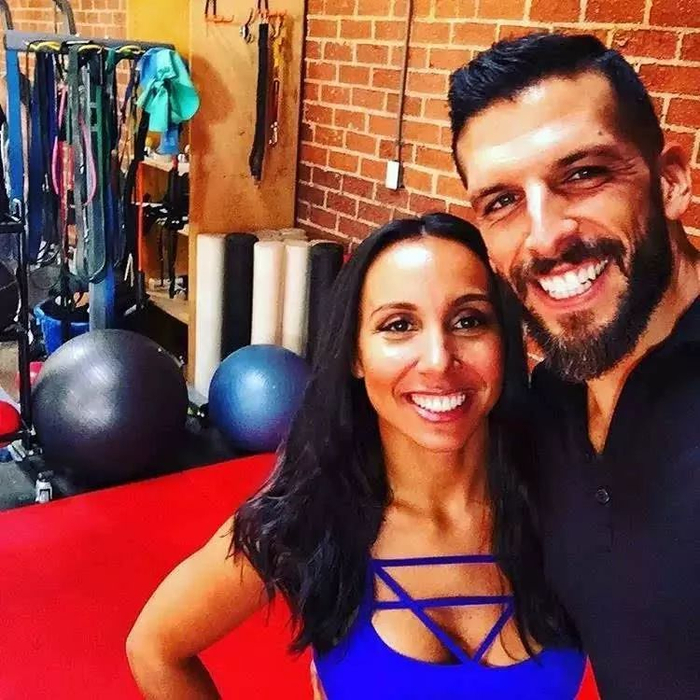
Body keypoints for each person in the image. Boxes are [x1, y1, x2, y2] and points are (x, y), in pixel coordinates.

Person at [126, 213, 585, 699]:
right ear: (355, 355)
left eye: (469, 320)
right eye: (399, 325)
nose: (438, 360)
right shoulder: (308, 518)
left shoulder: (567, 499)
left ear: (503, 341)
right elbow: (155, 648)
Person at [448, 32, 700, 700]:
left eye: (583, 174)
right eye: (502, 202)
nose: (546, 235)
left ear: (671, 181)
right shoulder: (549, 402)